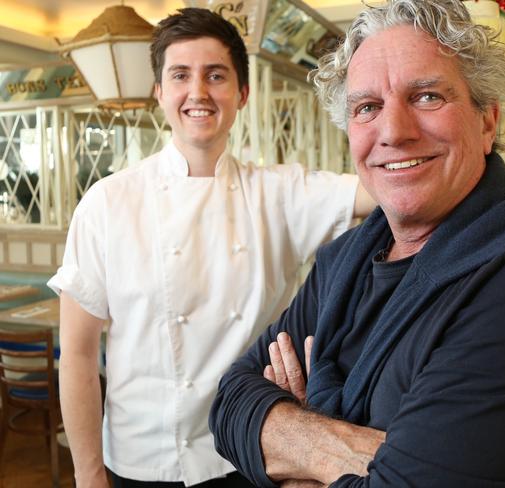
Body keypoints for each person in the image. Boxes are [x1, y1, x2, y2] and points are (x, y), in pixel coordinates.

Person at [209, 0, 505, 486]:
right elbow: (228, 403)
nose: (393, 132)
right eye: (368, 107)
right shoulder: (345, 258)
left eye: (427, 97)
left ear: (486, 122)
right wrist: (344, 448)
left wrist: (291, 437)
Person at [48, 8, 374, 488]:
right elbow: (76, 354)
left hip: (249, 454)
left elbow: (381, 191)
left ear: (242, 93)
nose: (197, 92)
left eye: (215, 75)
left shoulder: (278, 194)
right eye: (180, 75)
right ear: (159, 91)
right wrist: (88, 474)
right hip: (140, 461)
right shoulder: (106, 204)